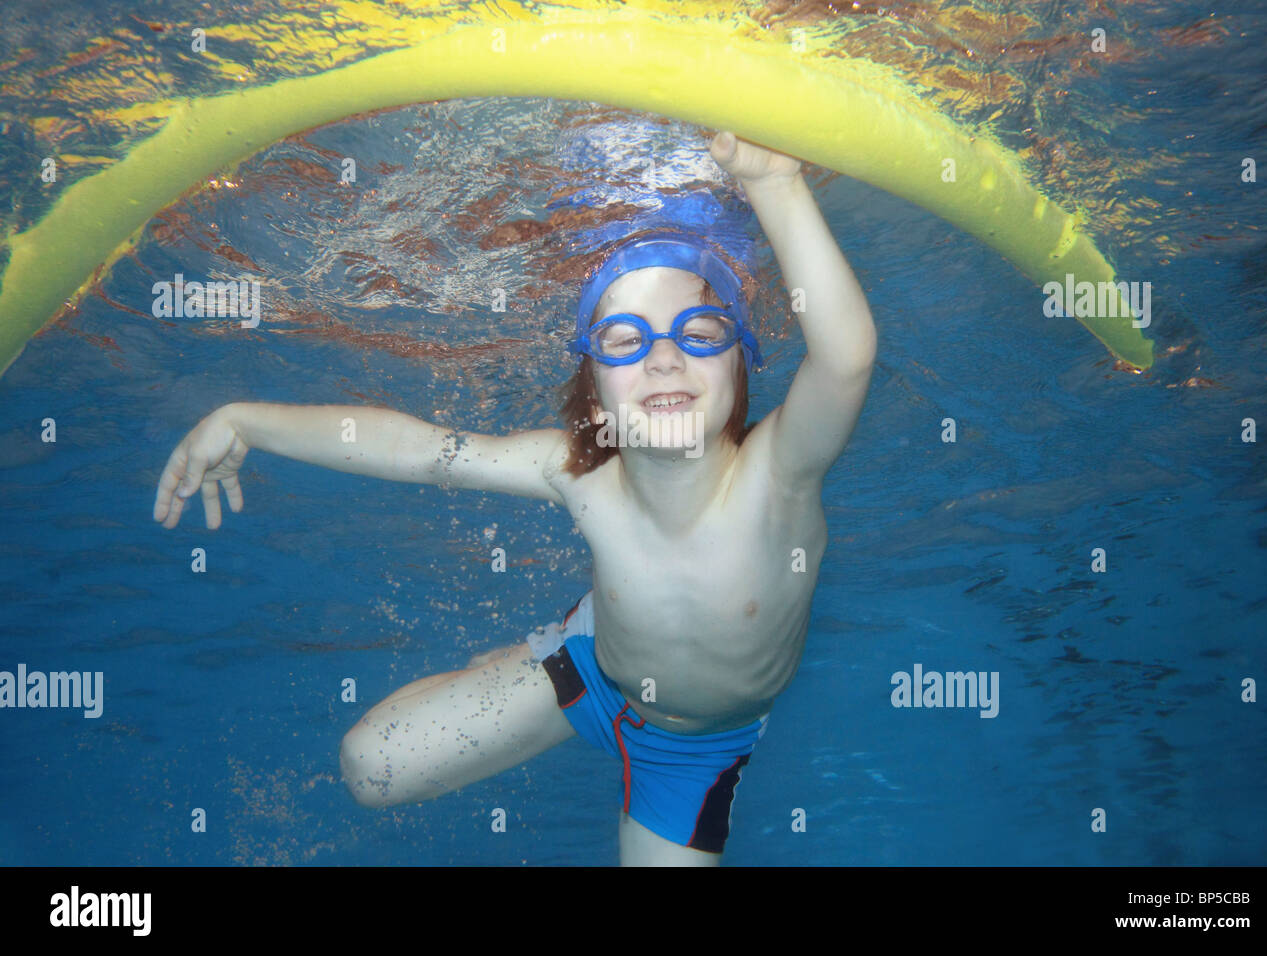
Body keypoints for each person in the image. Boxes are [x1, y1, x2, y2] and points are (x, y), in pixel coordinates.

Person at [152, 130, 877, 865]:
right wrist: (243, 421)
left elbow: (845, 360)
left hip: (694, 751)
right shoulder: (578, 472)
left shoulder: (778, 475)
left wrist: (776, 184)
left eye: (699, 331)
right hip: (595, 669)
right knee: (369, 769)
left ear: (742, 364)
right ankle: (537, 655)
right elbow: (421, 451)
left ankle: (536, 653)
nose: (664, 356)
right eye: (624, 340)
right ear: (592, 395)